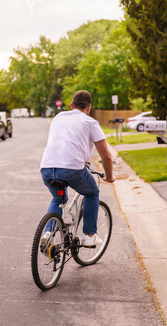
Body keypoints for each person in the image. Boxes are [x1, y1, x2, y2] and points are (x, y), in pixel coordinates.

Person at [40, 90, 115, 247]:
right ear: (89, 107)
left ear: (71, 106)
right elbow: (106, 156)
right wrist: (109, 177)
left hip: (46, 168)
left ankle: (48, 233)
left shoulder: (58, 117)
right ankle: (89, 236)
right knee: (92, 192)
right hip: (71, 169)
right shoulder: (90, 122)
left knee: (57, 198)